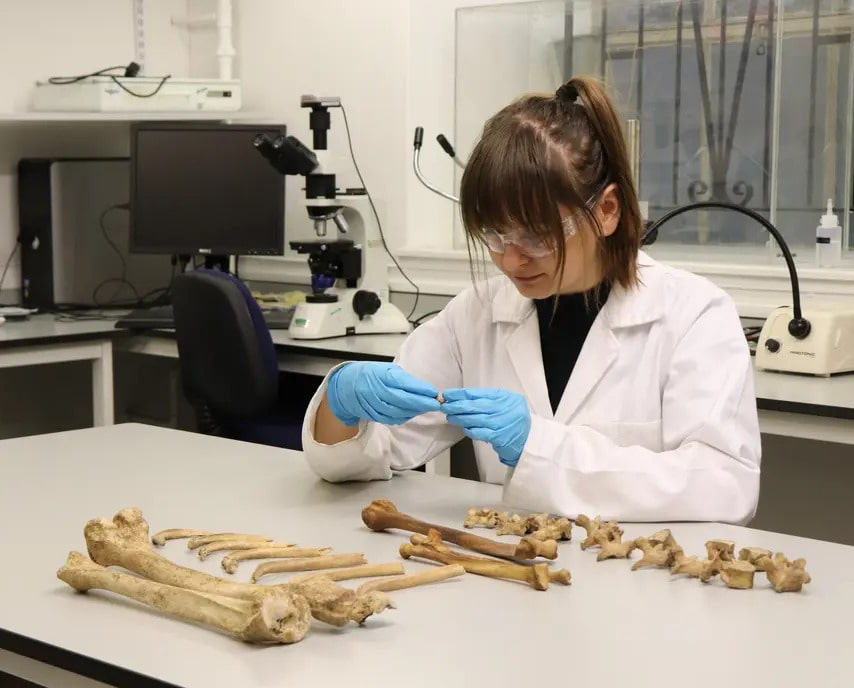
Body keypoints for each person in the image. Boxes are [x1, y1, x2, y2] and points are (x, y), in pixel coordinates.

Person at [300, 75, 761, 524]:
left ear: (606, 210)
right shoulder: (476, 315)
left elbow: (724, 484)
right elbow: (370, 454)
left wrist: (539, 446)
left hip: (642, 579)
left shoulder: (693, 315)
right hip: (516, 576)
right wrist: (343, 404)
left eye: (536, 236)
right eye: (493, 235)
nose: (510, 259)